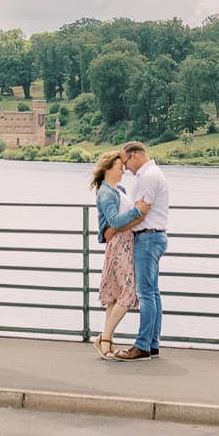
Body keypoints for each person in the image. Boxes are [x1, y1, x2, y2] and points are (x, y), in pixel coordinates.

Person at [90, 149, 151, 359]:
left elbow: (120, 221)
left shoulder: (119, 189)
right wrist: (137, 211)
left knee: (117, 294)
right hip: (119, 246)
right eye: (119, 167)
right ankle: (104, 338)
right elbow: (115, 221)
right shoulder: (106, 193)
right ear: (108, 169)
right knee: (127, 293)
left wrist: (137, 212)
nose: (123, 171)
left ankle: (107, 343)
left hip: (126, 242)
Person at [114, 140, 169, 361]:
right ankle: (152, 342)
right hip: (154, 236)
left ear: (135, 156)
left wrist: (116, 229)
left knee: (145, 293)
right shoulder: (152, 174)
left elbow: (140, 213)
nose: (125, 168)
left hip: (147, 237)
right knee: (152, 292)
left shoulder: (148, 177)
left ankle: (143, 344)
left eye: (126, 162)